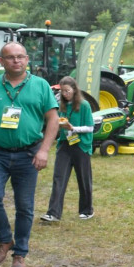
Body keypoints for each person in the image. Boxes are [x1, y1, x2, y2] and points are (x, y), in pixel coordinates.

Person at [0, 42, 59, 267]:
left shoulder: (40, 86)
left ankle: (20, 253)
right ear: (1, 61)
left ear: (27, 59)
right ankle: (4, 239)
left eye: (20, 57)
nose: (16, 61)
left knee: (24, 206)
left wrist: (44, 150)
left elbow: (53, 119)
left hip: (29, 154)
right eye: (10, 57)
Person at [41, 76, 94, 222]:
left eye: (67, 91)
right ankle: (53, 213)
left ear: (74, 90)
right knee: (59, 177)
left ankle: (87, 210)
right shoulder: (60, 106)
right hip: (65, 144)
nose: (65, 94)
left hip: (81, 145)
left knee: (83, 179)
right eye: (62, 91)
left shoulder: (84, 105)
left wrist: (73, 128)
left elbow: (90, 127)